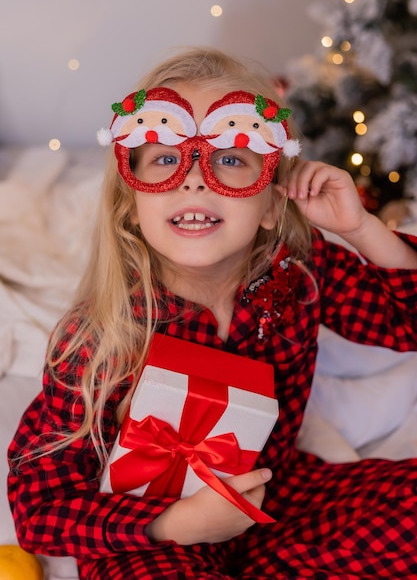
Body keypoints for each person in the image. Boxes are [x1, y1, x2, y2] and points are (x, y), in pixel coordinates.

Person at [7, 46, 417, 580]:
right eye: (165, 158)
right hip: (152, 533)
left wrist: (362, 229)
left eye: (230, 157)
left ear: (271, 204)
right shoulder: (99, 337)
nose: (195, 179)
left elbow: (405, 320)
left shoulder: (296, 273)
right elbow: (40, 509)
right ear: (132, 204)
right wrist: (176, 526)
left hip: (274, 499)